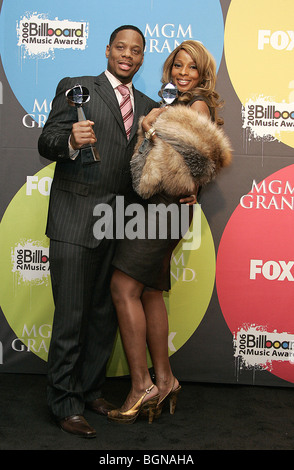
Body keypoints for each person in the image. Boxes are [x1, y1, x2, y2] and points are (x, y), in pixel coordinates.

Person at [38, 25, 158, 438]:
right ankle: (64, 403)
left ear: (142, 58)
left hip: (120, 224)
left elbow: (149, 166)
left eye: (136, 50)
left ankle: (89, 391)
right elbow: (46, 139)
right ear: (107, 51)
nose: (128, 55)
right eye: (121, 47)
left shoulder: (147, 106)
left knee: (104, 318)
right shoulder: (77, 88)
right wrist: (69, 139)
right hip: (74, 217)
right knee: (72, 316)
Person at [108, 40, 226, 424]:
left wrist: (191, 188)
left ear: (203, 73)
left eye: (192, 68)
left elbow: (199, 158)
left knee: (123, 288)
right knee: (151, 292)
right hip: (162, 208)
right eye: (178, 65)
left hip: (163, 208)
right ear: (170, 68)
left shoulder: (196, 105)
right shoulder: (178, 104)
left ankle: (141, 384)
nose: (183, 73)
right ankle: (166, 380)